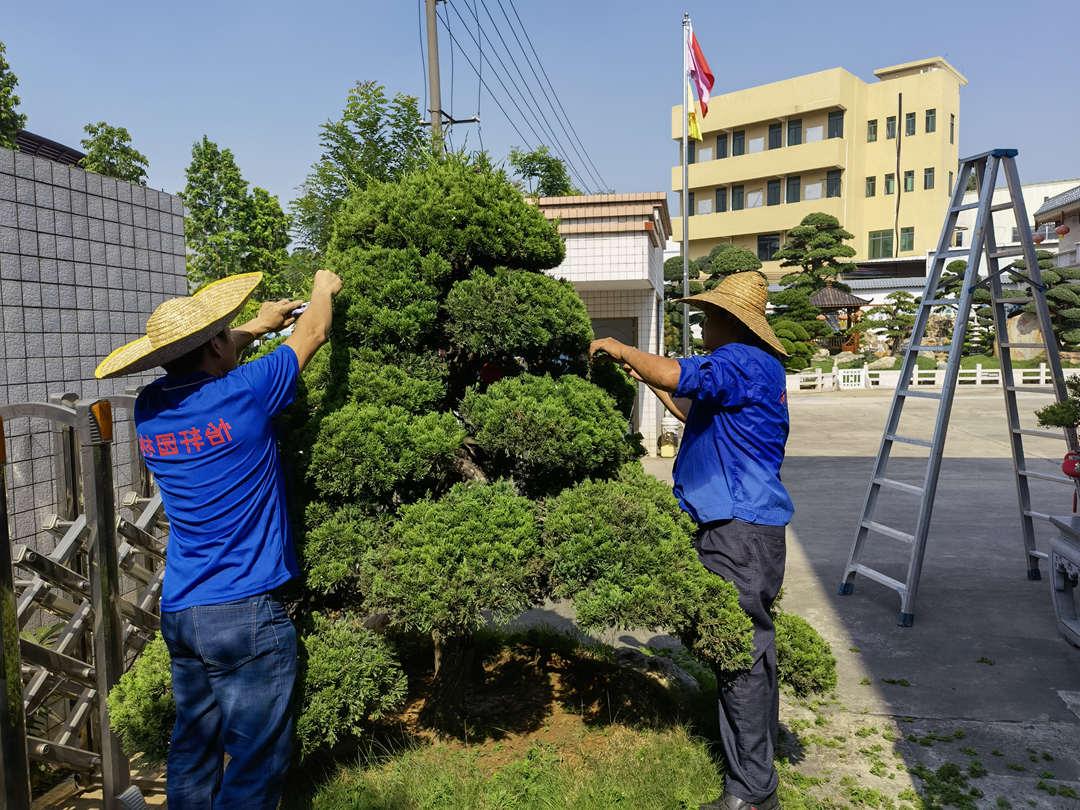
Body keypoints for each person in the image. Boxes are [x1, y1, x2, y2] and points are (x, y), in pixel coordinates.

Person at [95, 268, 343, 809]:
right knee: (255, 763)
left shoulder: (149, 408)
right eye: (225, 333)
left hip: (183, 608)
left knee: (194, 746)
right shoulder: (247, 393)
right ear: (213, 345)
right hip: (245, 612)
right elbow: (314, 333)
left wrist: (256, 324)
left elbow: (213, 356)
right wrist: (323, 287)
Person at [589, 271, 792, 810]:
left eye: (707, 318)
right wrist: (640, 370)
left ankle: (751, 793)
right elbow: (685, 404)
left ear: (731, 322)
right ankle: (759, 762)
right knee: (749, 650)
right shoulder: (754, 369)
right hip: (747, 526)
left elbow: (681, 373)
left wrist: (618, 345)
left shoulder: (740, 360)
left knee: (740, 654)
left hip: (739, 529)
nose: (701, 326)